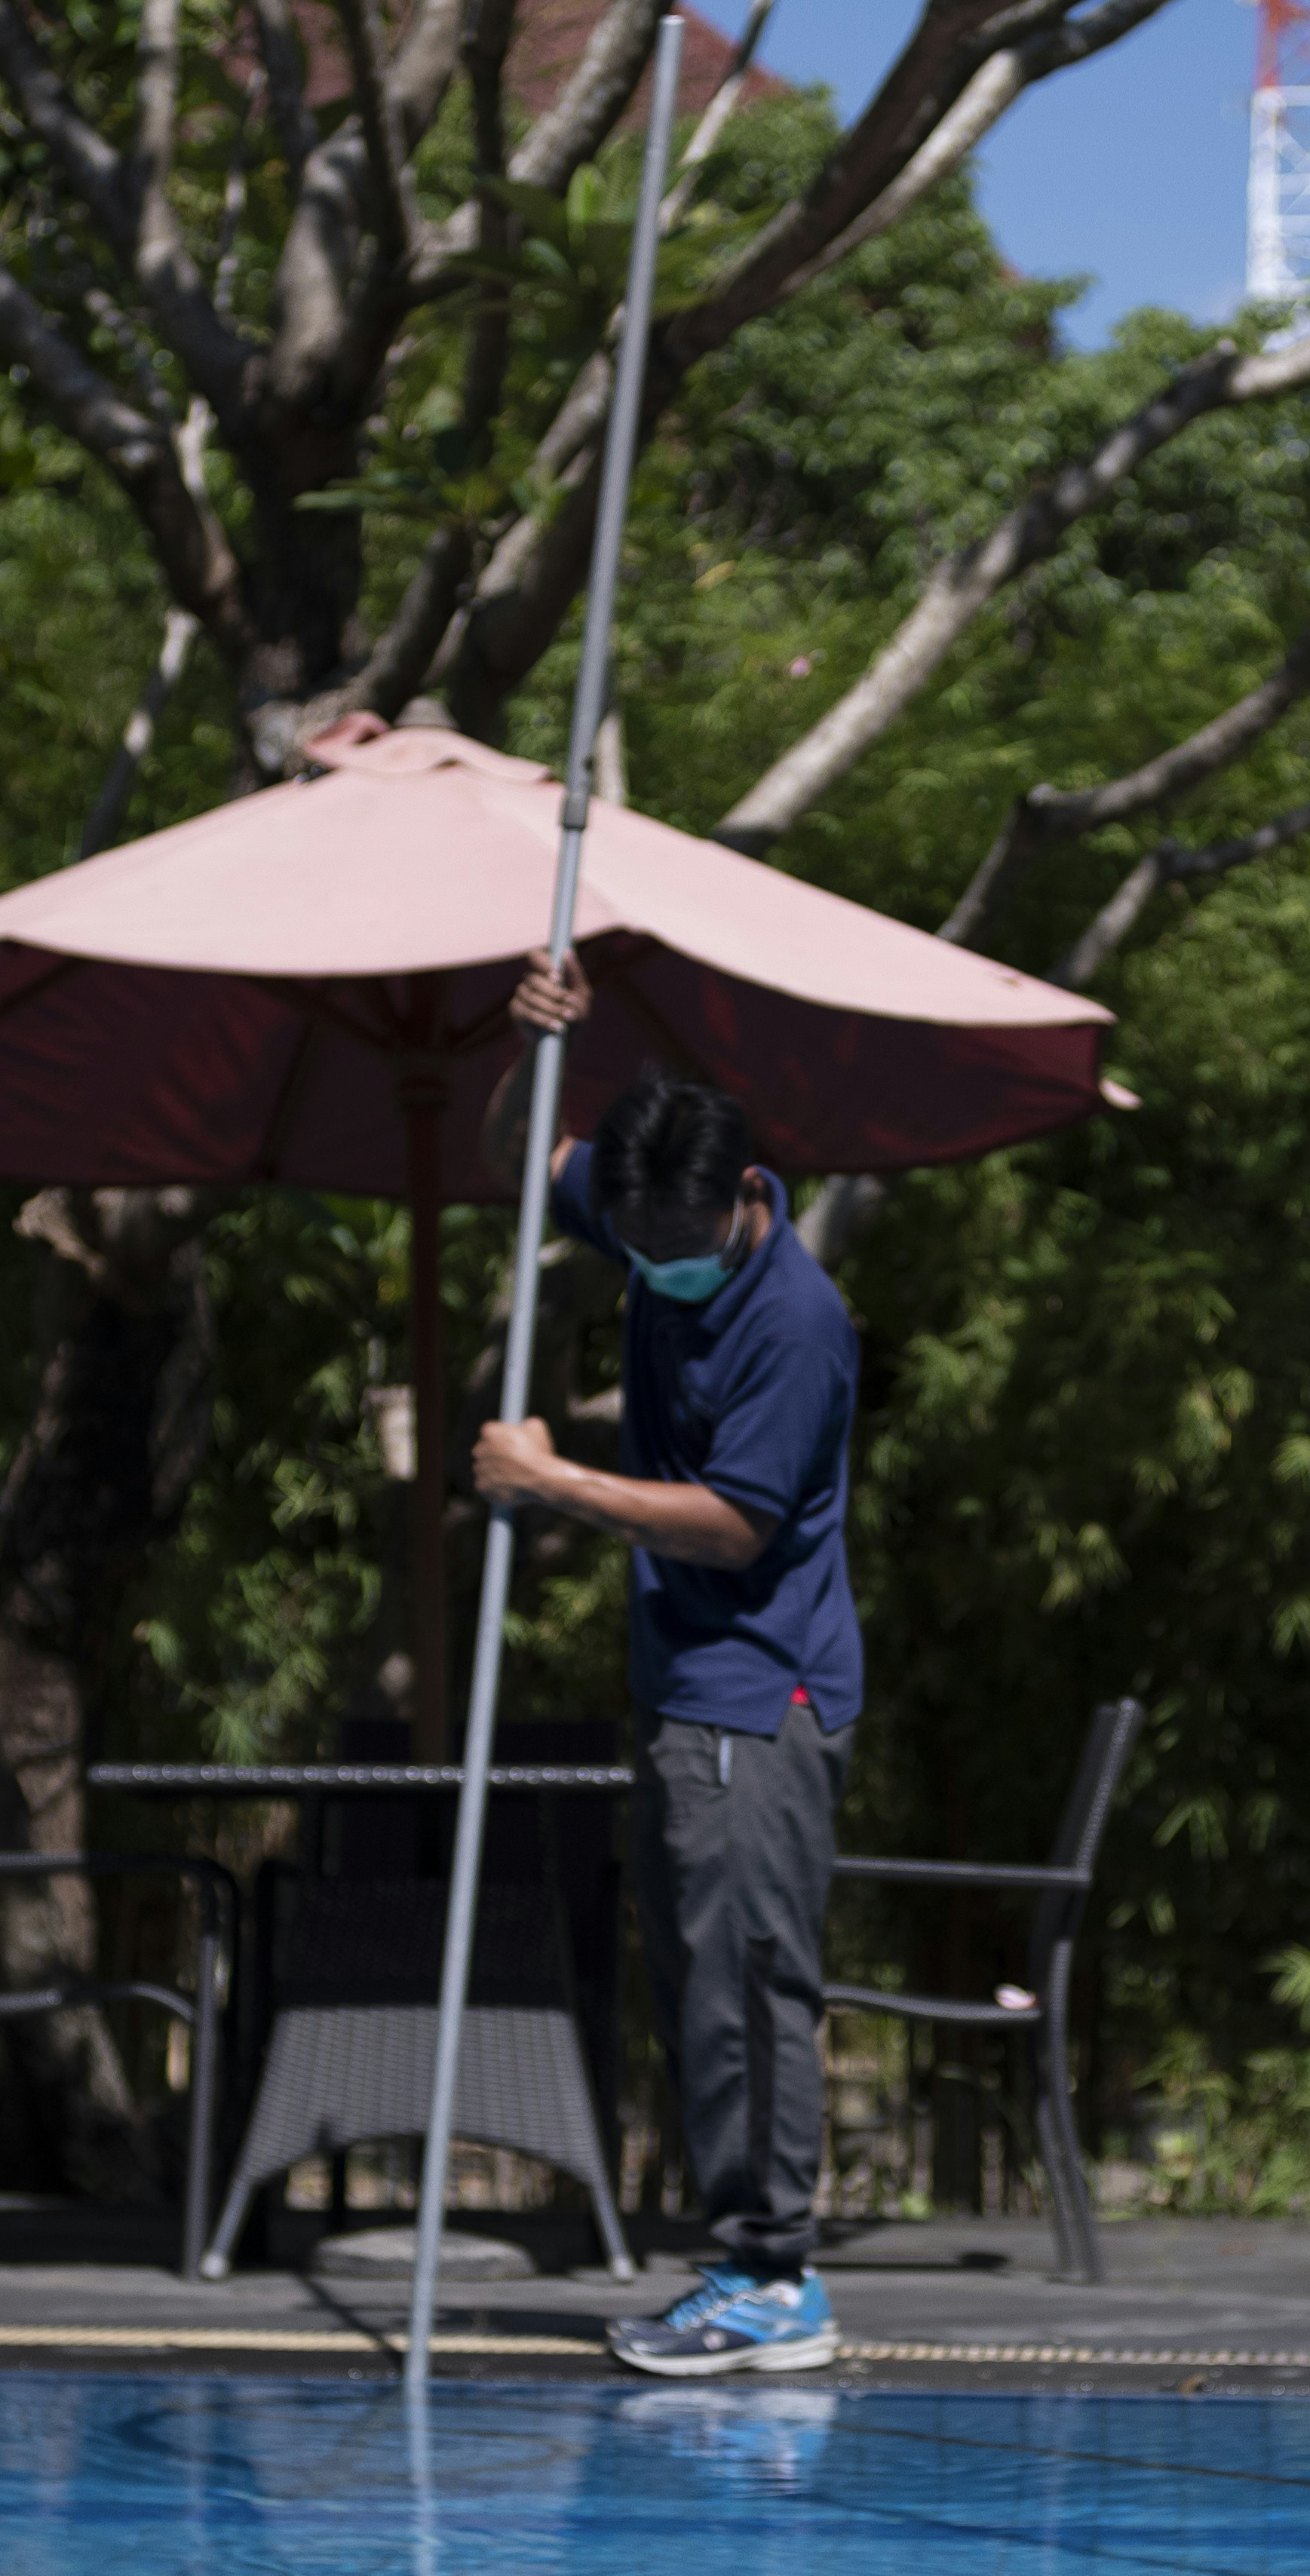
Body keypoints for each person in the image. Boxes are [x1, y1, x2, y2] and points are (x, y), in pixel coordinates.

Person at [473, 949, 857, 2377]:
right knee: (697, 1972)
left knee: (750, 1981)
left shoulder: (795, 1327)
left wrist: (552, 1479)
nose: (653, 1264)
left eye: (674, 1243)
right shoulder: (652, 1203)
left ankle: (774, 2281)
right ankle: (743, 2261)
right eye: (633, 1243)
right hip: (689, 1685)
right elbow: (522, 1160)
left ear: (745, 1196)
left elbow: (733, 1524)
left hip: (764, 1689)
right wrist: (535, 1048)